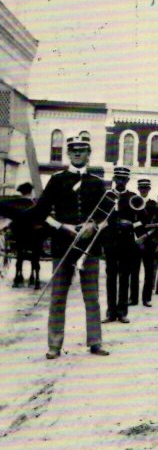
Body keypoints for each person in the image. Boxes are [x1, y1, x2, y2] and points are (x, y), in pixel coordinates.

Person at [27, 135, 110, 359]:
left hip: (89, 248)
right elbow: (40, 213)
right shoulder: (57, 180)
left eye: (81, 150)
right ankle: (54, 345)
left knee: (91, 297)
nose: (77, 154)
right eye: (73, 150)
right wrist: (62, 226)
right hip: (62, 246)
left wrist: (94, 226)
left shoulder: (96, 182)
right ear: (68, 153)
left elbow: (108, 216)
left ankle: (95, 342)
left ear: (88, 153)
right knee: (58, 297)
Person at [101, 167, 137, 324]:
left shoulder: (133, 197)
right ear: (114, 179)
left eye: (124, 179)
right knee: (110, 277)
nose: (121, 181)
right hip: (110, 242)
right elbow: (101, 219)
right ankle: (110, 312)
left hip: (127, 242)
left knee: (124, 277)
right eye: (118, 178)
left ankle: (122, 312)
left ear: (128, 180)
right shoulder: (107, 196)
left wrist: (130, 224)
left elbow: (141, 220)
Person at [129, 178, 157, 307]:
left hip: (149, 242)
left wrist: (145, 236)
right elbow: (131, 222)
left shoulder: (153, 204)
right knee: (134, 271)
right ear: (138, 189)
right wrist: (137, 238)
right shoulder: (133, 202)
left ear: (149, 189)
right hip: (135, 241)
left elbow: (157, 225)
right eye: (141, 188)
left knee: (149, 271)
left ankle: (147, 299)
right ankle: (133, 298)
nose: (143, 190)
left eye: (146, 188)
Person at [10, 182, 41, 289]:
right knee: (35, 255)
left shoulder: (15, 204)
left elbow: (12, 222)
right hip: (34, 236)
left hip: (20, 236)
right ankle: (35, 278)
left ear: (21, 192)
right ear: (31, 191)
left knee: (20, 255)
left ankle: (18, 277)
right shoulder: (36, 203)